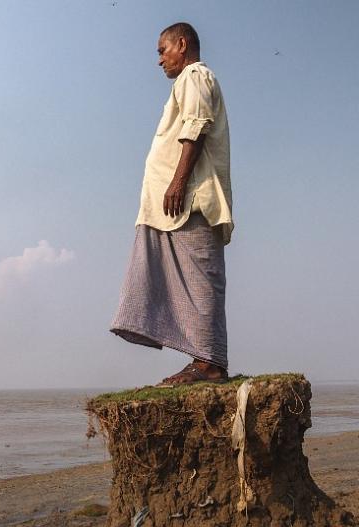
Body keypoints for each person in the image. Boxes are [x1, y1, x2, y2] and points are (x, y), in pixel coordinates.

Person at [110, 22, 233, 387]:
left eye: (162, 51)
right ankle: (203, 358)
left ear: (182, 45)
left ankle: (209, 363)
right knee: (192, 281)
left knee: (202, 280)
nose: (159, 60)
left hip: (193, 198)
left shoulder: (196, 75)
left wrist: (178, 181)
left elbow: (197, 125)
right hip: (179, 204)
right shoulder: (187, 81)